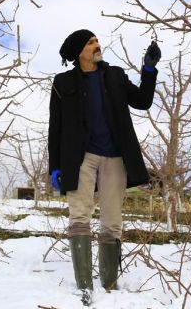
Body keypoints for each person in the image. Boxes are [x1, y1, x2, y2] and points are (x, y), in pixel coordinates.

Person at [48, 29, 160, 299]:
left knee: (112, 220)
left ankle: (109, 284)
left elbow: (143, 102)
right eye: (90, 42)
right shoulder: (62, 82)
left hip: (115, 156)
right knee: (79, 215)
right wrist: (55, 166)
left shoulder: (115, 75)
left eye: (97, 40)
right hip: (80, 157)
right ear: (79, 51)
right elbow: (56, 127)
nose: (97, 45)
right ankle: (84, 284)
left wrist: (149, 69)